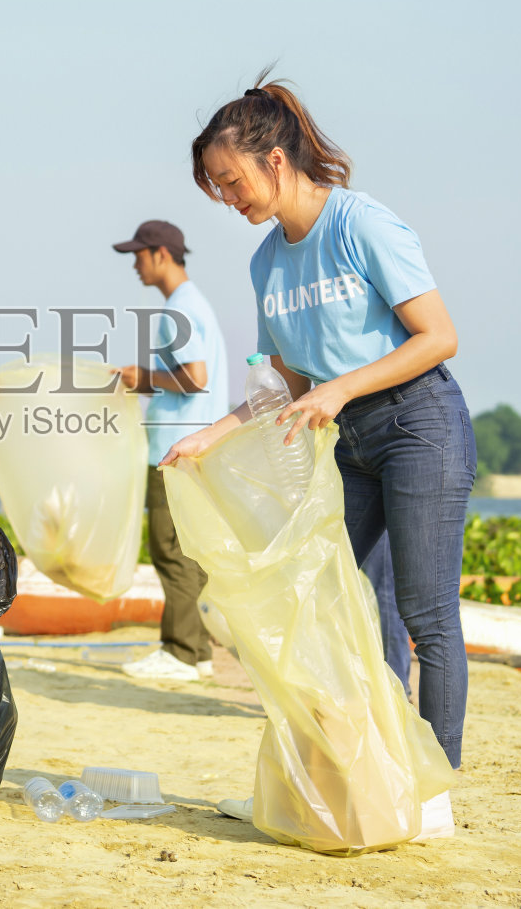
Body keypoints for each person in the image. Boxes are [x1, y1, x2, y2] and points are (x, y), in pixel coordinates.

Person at [163, 74, 475, 773]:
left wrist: (340, 389)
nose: (228, 197)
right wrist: (211, 435)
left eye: (232, 180)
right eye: (217, 186)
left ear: (275, 161)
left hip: (418, 424)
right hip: (346, 442)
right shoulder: (266, 262)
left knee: (426, 613)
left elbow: (438, 337)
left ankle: (438, 784)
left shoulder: (361, 223)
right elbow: (285, 386)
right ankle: (370, 768)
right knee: (324, 602)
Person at [108, 220, 230, 682]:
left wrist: (144, 377)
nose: (134, 265)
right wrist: (147, 381)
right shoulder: (192, 304)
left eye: (138, 255)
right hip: (198, 444)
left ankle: (179, 652)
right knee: (189, 549)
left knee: (169, 547)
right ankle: (196, 651)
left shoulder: (179, 308)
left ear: (161, 254)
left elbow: (195, 378)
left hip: (176, 448)